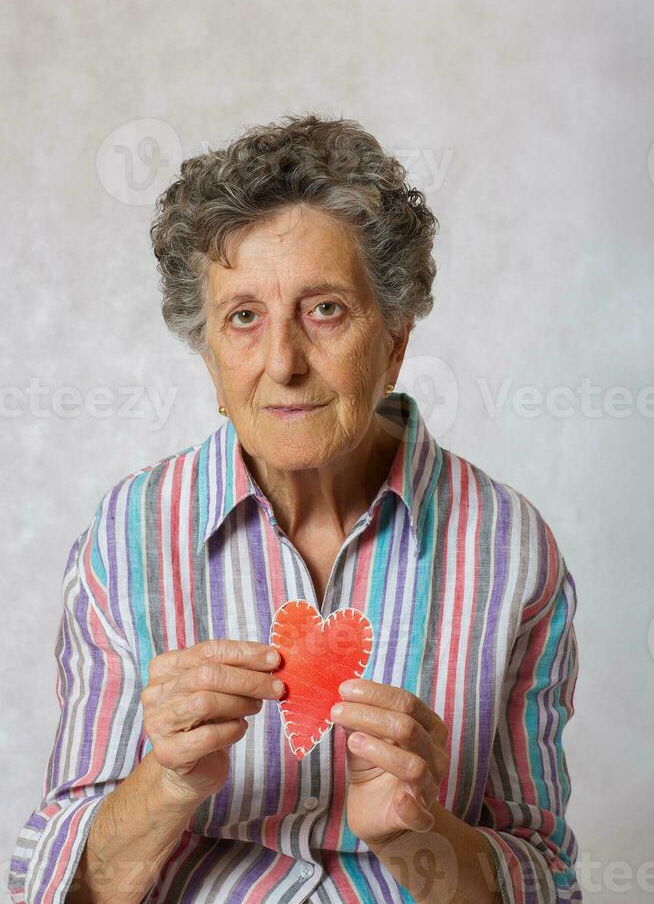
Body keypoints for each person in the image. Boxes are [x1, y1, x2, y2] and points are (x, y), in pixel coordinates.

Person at [8, 113, 581, 904]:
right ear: (209, 355)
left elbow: (545, 880)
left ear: (396, 341)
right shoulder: (126, 537)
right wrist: (166, 784)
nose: (283, 363)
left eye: (325, 310)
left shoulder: (511, 549)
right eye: (243, 317)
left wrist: (418, 837)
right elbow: (66, 889)